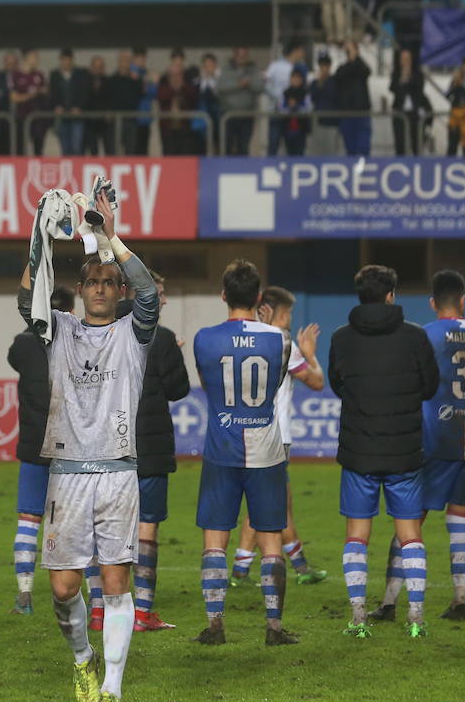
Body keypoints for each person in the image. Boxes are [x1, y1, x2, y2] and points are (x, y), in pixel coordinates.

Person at [18, 182, 159, 702]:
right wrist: (41, 237)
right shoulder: (58, 329)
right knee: (62, 588)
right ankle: (82, 661)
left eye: (108, 282)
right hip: (68, 474)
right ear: (79, 289)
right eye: (93, 281)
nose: (101, 288)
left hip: (118, 473)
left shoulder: (134, 333)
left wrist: (113, 240)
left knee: (117, 582)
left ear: (117, 291)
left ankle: (114, 688)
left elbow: (148, 293)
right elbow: (25, 297)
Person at [370, 270, 465, 625]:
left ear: (432, 302)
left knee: (411, 520)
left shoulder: (422, 335)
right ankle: (460, 600)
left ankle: (388, 603)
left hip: (434, 432)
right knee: (459, 518)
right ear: (463, 300)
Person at [330, 264, 440, 639]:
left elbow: (336, 384)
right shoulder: (414, 337)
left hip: (359, 451)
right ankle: (416, 618)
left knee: (357, 535)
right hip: (404, 452)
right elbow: (429, 386)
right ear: (391, 295)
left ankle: (358, 619)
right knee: (410, 535)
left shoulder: (343, 338)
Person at [191, 261, 296, 648]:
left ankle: (215, 626)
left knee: (215, 540)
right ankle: (273, 628)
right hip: (267, 450)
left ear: (223, 296)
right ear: (257, 298)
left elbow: (208, 384)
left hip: (221, 447)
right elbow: (275, 384)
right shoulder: (280, 339)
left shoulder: (204, 338)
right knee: (271, 539)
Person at [230, 286, 328, 588]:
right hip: (276, 435)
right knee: (272, 505)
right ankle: (297, 567)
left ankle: (243, 568)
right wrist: (311, 356)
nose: (288, 321)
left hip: (244, 431)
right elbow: (316, 382)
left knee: (272, 502)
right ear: (270, 311)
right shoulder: (283, 342)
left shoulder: (243, 341)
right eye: (287, 314)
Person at [123, 272, 188, 633]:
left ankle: (99, 612)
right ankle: (143, 613)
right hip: (149, 450)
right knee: (147, 530)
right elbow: (179, 390)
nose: (162, 301)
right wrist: (173, 356)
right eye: (158, 294)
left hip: (108, 451)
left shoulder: (104, 332)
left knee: (104, 533)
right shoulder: (161, 339)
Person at [6, 287, 74, 615]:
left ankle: (24, 595)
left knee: (28, 518)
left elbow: (14, 357)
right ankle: (92, 599)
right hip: (71, 446)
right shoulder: (78, 340)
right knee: (75, 522)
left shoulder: (23, 343)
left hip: (33, 444)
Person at [217, 47, 262, 156]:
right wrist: (238, 85)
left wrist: (249, 83)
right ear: (235, 55)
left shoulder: (254, 70)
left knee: (244, 145)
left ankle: (243, 169)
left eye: (244, 56)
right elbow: (221, 87)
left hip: (247, 115)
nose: (242, 58)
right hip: (229, 114)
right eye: (239, 56)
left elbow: (260, 87)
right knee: (227, 144)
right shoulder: (226, 69)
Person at [263, 43, 304, 156]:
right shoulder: (276, 66)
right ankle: (270, 169)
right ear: (295, 51)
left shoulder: (300, 67)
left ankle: (292, 171)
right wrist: (281, 98)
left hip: (294, 112)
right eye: (301, 51)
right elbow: (266, 83)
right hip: (277, 111)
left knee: (293, 145)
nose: (302, 54)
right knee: (274, 143)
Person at [49, 48, 91, 156]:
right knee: (65, 147)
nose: (66, 62)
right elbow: (51, 94)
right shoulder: (54, 75)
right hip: (62, 117)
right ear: (60, 61)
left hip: (76, 117)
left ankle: (78, 170)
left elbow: (85, 93)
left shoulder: (82, 74)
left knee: (77, 147)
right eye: (64, 60)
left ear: (72, 60)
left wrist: (79, 107)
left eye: (69, 60)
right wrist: (56, 106)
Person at [334, 41, 372, 156]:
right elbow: (339, 77)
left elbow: (367, 71)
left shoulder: (361, 67)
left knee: (363, 147)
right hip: (347, 114)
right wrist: (351, 60)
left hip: (362, 113)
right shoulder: (342, 69)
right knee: (350, 148)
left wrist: (356, 57)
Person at [390, 48, 429, 156]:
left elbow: (419, 87)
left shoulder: (417, 73)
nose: (404, 61)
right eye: (402, 59)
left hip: (414, 113)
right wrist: (403, 78)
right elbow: (392, 88)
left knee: (416, 142)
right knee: (400, 142)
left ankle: (417, 163)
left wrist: (408, 78)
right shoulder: (396, 73)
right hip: (400, 112)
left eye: (407, 58)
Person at [156, 57, 198, 156]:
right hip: (168, 129)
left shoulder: (187, 87)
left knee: (185, 155)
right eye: (173, 76)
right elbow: (161, 97)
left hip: (185, 129)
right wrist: (173, 89)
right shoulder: (164, 87)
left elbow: (193, 97)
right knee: (169, 155)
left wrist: (181, 88)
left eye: (178, 75)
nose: (175, 78)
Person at [10, 48, 47, 155]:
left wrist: (40, 91)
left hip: (38, 117)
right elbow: (14, 97)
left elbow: (45, 90)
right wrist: (30, 96)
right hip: (23, 116)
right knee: (21, 147)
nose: (37, 60)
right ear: (26, 58)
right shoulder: (16, 75)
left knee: (38, 148)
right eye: (34, 57)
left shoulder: (39, 75)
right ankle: (20, 169)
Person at [307, 51, 340, 155]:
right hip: (319, 120)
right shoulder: (315, 82)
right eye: (322, 65)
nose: (324, 68)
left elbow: (336, 97)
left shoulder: (335, 81)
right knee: (318, 149)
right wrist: (320, 83)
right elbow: (311, 98)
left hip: (333, 121)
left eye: (326, 65)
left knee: (331, 150)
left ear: (329, 66)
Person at [83, 55, 112, 156]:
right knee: (93, 150)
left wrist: (109, 111)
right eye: (95, 66)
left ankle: (108, 169)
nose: (98, 69)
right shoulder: (85, 81)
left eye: (100, 67)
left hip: (105, 121)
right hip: (90, 121)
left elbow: (111, 99)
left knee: (109, 150)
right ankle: (95, 171)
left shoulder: (108, 81)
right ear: (91, 67)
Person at [280, 68, 311, 156]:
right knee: (289, 152)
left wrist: (296, 106)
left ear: (301, 79)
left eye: (298, 78)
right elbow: (281, 109)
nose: (296, 80)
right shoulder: (285, 92)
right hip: (288, 128)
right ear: (290, 79)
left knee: (300, 152)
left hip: (301, 128)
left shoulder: (305, 92)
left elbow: (308, 109)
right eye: (294, 78)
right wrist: (290, 108)